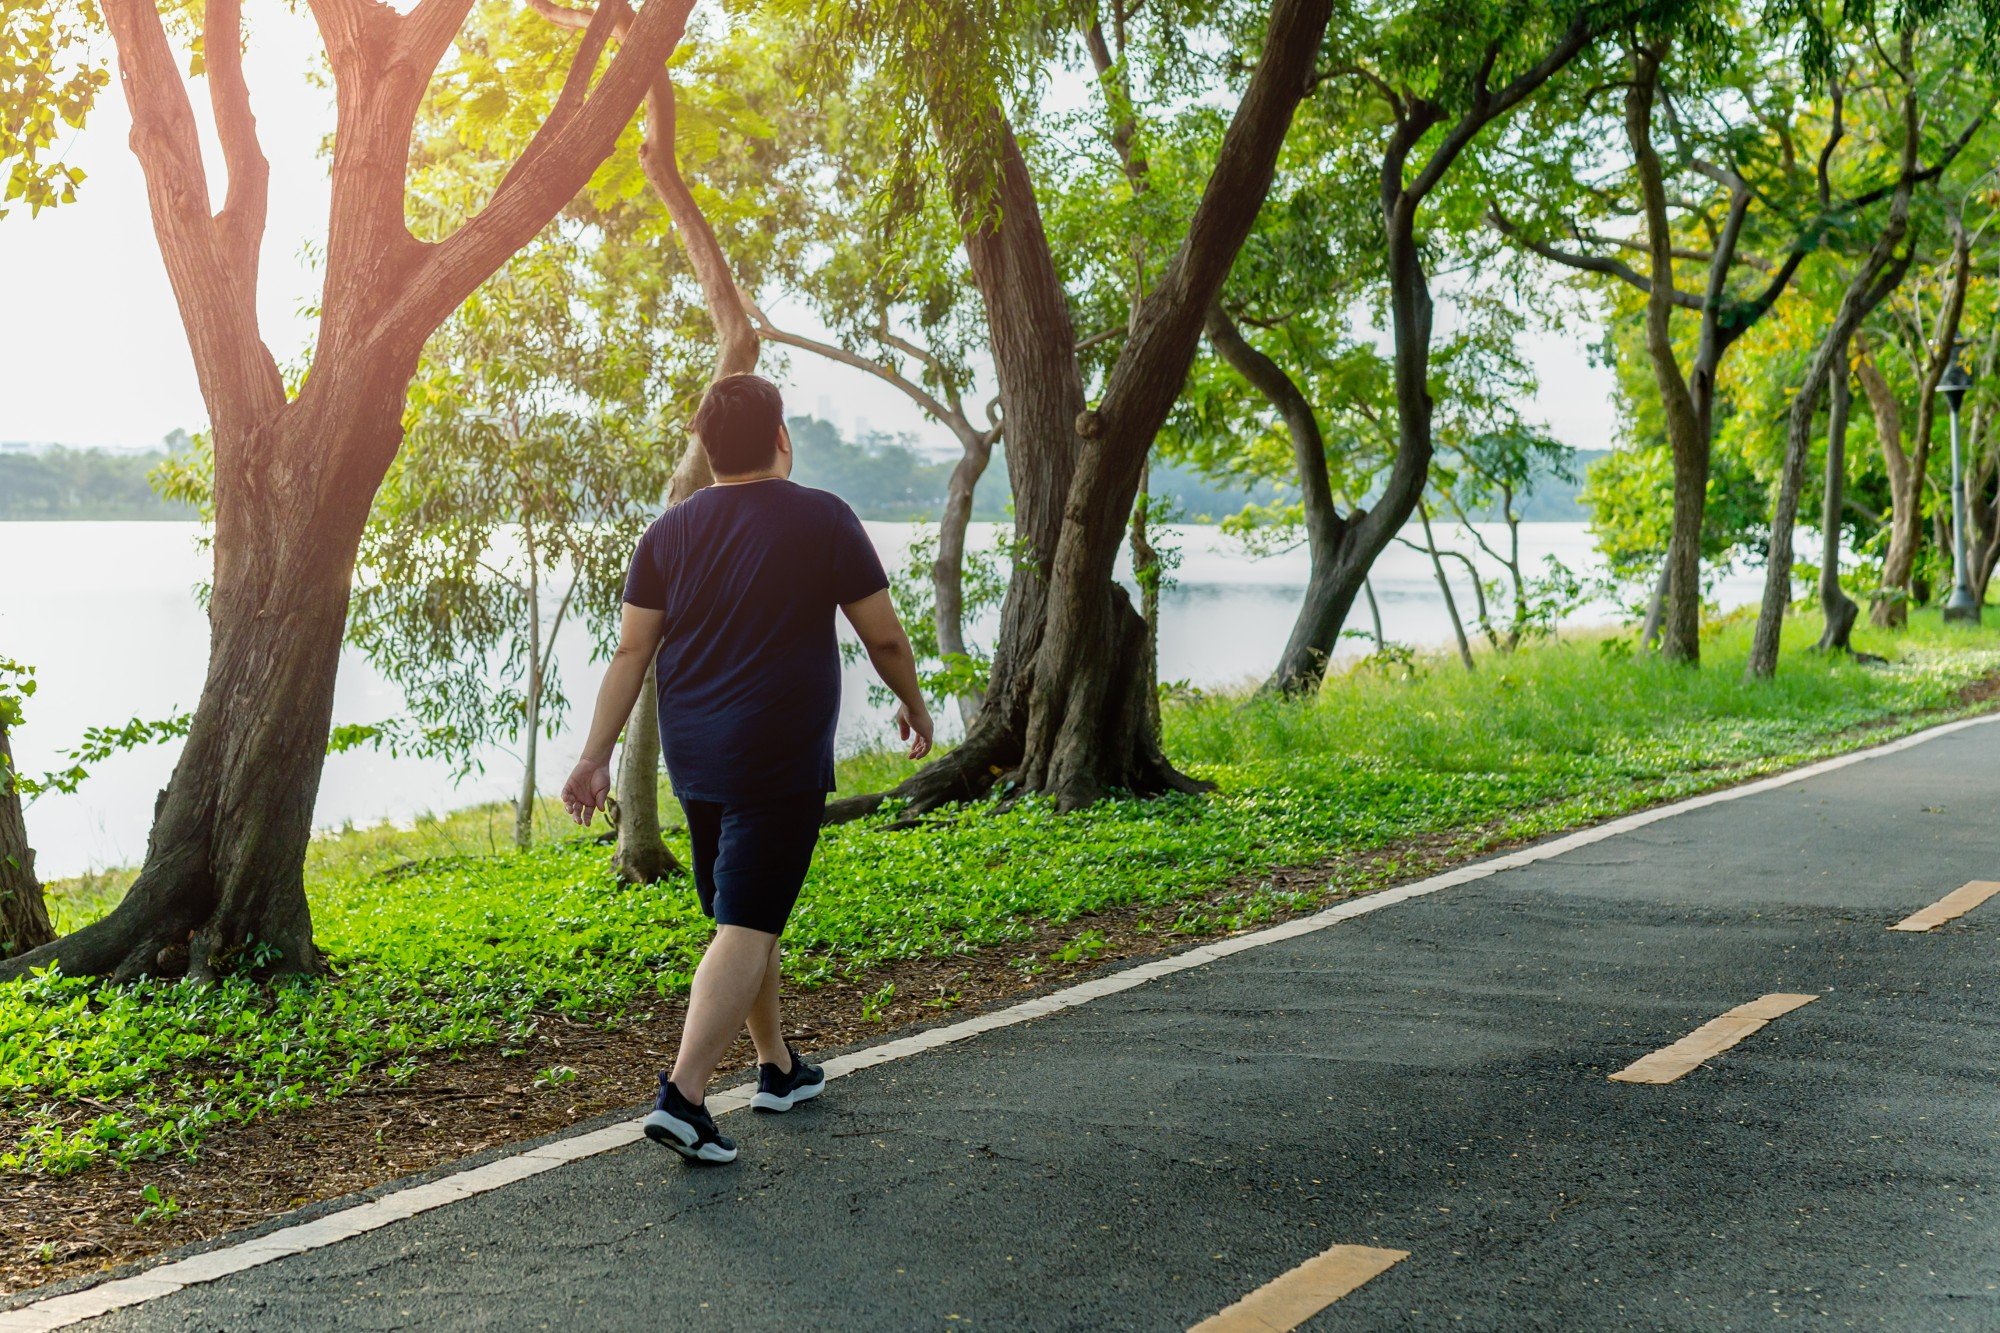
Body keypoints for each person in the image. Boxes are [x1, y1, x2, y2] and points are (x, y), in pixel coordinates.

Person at [560, 373, 934, 1165]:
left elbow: (632, 651)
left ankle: (778, 1067)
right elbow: (886, 638)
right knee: (746, 920)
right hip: (780, 753)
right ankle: (684, 1096)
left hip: (698, 758)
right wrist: (914, 702)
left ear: (703, 446)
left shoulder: (667, 533)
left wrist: (594, 755)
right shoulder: (824, 517)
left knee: (745, 912)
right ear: (782, 437)